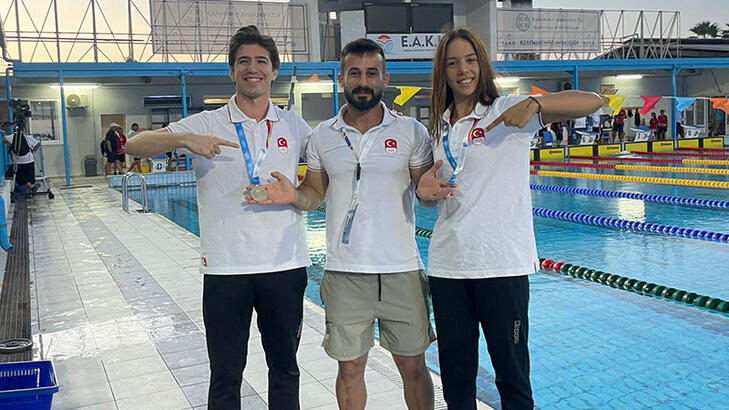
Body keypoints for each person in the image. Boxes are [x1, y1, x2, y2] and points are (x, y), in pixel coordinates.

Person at [416, 28, 605, 410]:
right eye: (453, 63)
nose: (463, 70)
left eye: (470, 60)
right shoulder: (436, 127)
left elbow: (593, 101)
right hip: (449, 267)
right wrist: (424, 192)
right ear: (443, 72)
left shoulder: (508, 110)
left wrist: (536, 104)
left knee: (512, 377)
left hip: (501, 265)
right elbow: (428, 194)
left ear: (482, 65)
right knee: (456, 378)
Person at [125, 25, 312, 410]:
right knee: (225, 375)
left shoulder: (294, 125)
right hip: (226, 270)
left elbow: (320, 184)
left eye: (261, 61)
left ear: (274, 71)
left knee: (285, 369)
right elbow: (134, 145)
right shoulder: (206, 123)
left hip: (285, 267)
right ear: (231, 71)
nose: (252, 68)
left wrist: (295, 195)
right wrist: (183, 139)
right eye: (243, 61)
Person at [246, 38, 436, 410]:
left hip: (401, 269)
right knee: (349, 369)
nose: (363, 81)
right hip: (345, 271)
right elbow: (314, 194)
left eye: (371, 73)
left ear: (385, 78)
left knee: (413, 367)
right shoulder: (323, 135)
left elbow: (425, 193)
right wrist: (292, 195)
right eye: (354, 73)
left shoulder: (411, 131)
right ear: (342, 78)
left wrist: (432, 192)